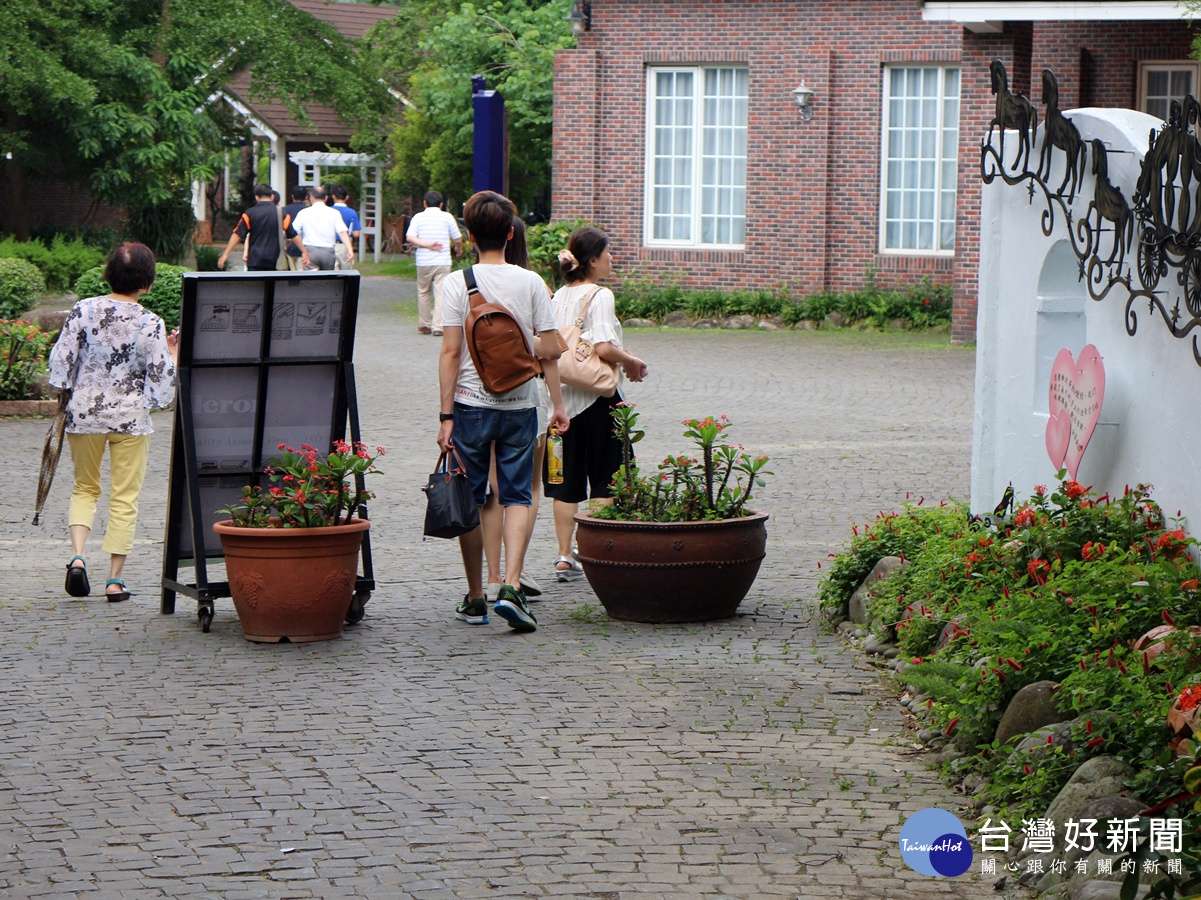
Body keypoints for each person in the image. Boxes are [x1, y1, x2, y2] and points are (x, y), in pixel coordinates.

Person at [437, 191, 568, 632]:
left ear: (470, 237)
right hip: (520, 405)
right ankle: (511, 586)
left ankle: (477, 596)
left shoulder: (455, 283)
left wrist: (445, 417)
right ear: (510, 234)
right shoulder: (531, 282)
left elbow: (451, 353)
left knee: (475, 499)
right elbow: (549, 352)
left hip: (470, 406)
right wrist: (559, 406)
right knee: (518, 496)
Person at [48, 242, 180, 601]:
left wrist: (73, 388)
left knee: (84, 488)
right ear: (147, 282)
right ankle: (114, 580)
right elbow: (161, 380)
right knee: (125, 496)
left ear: (109, 273)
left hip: (85, 413)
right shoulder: (151, 322)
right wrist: (172, 351)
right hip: (129, 417)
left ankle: (77, 558)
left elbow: (61, 363)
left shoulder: (84, 309)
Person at [545, 227, 648, 582]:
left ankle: (563, 555)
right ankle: (596, 550)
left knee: (565, 482)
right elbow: (603, 346)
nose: (611, 258)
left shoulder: (557, 295)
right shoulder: (599, 295)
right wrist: (632, 361)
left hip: (559, 405)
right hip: (599, 401)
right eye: (607, 252)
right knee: (606, 477)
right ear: (592, 260)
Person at [478, 216, 546, 602]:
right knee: (525, 489)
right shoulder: (532, 283)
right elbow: (551, 348)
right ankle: (514, 576)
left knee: (490, 488)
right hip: (525, 396)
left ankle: (491, 577)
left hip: (479, 396)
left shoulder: (467, 282)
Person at [407, 190, 463, 335]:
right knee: (441, 292)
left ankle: (424, 324)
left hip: (423, 261)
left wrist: (426, 245)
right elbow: (457, 238)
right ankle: (438, 326)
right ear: (441, 204)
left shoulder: (418, 217)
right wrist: (458, 250)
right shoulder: (447, 217)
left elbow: (410, 237)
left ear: (425, 203)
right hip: (443, 261)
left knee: (423, 292)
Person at [217, 183, 283, 271]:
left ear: (256, 197)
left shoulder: (250, 213)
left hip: (255, 259)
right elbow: (293, 234)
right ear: (272, 196)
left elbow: (238, 234)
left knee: (255, 284)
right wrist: (304, 251)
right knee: (272, 284)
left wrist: (225, 254)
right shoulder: (282, 214)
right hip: (275, 259)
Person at [290, 186, 354, 271]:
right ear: (326, 198)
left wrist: (303, 249)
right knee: (327, 279)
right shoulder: (334, 213)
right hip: (328, 251)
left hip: (310, 250)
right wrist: (350, 250)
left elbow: (293, 233)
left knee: (310, 279)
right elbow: (342, 232)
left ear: (311, 197)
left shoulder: (303, 213)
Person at [331, 185, 361, 270]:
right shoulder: (352, 213)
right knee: (346, 274)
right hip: (344, 246)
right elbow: (356, 234)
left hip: (329, 245)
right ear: (347, 197)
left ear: (333, 196)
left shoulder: (329, 211)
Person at [281, 186, 310, 271]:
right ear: (306, 197)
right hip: (305, 249)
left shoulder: (283, 210)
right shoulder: (309, 211)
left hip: (288, 248)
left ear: (292, 196)